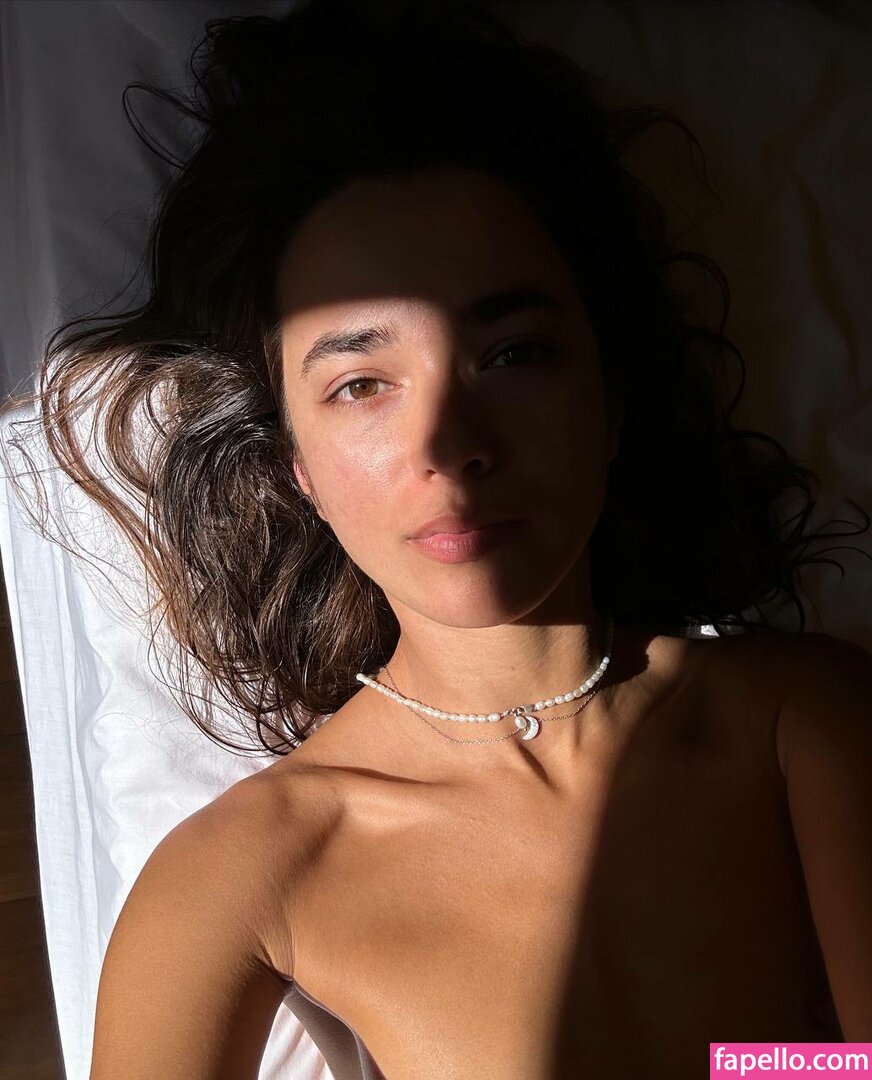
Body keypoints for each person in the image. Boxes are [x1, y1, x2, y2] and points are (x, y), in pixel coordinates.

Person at [3, 1, 871, 1077]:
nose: (450, 447)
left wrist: (758, 1065)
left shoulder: (797, 720)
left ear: (610, 402)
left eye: (513, 355)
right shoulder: (245, 870)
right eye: (360, 384)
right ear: (297, 468)